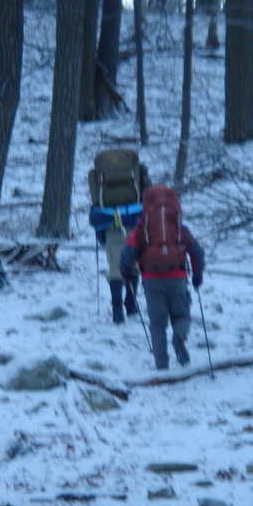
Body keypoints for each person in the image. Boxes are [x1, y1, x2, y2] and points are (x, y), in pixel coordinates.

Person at [119, 184, 205, 370]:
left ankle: (161, 366)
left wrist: (125, 274)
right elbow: (196, 251)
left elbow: (127, 256)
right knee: (182, 315)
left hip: (151, 280)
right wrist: (198, 276)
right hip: (178, 277)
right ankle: (179, 338)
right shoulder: (180, 227)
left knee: (157, 324)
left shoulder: (142, 228)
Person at [88, 151, 150, 324]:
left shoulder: (98, 175)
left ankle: (117, 310)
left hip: (110, 223)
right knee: (134, 264)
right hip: (135, 221)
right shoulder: (138, 171)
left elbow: (94, 198)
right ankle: (130, 305)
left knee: (115, 266)